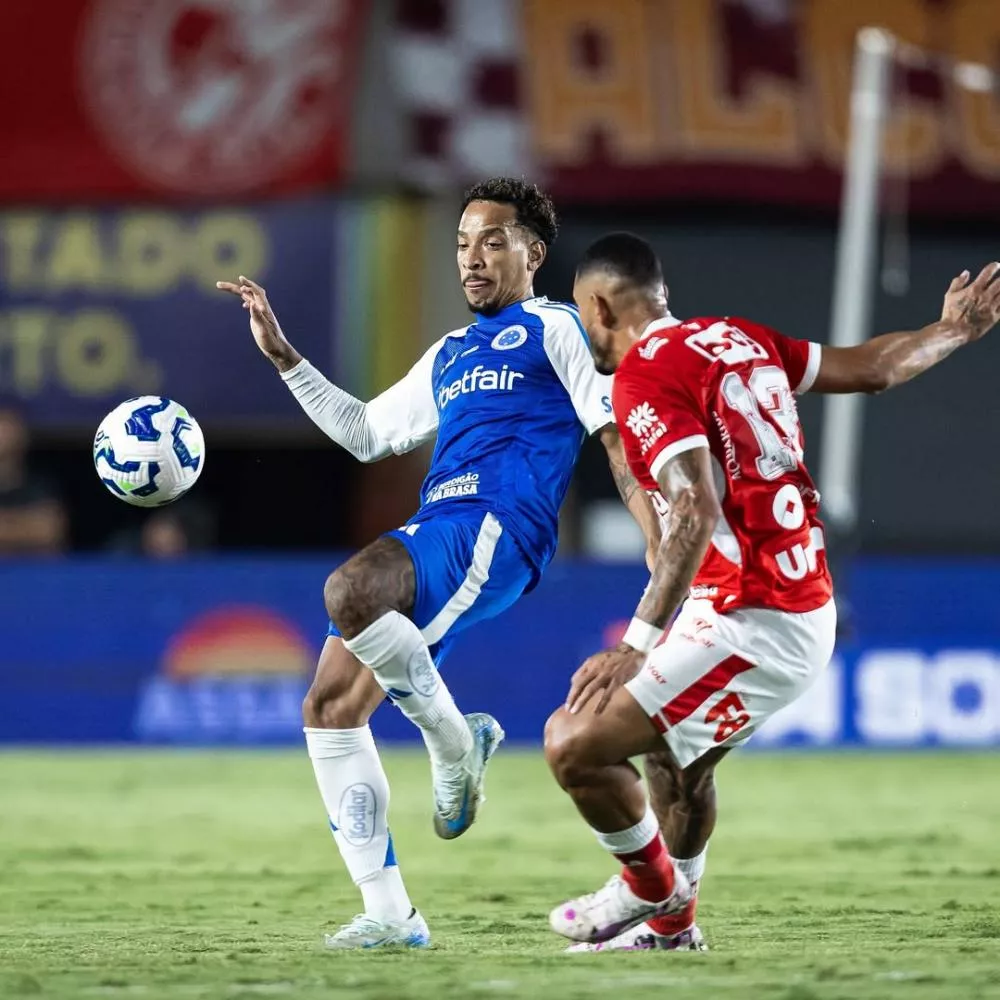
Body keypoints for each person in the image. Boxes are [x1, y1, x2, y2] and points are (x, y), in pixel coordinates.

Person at [217, 179, 660, 950]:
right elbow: (362, 431)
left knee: (349, 587)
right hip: (436, 527)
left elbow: (613, 430)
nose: (473, 259)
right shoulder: (449, 354)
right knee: (328, 708)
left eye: (493, 240)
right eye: (461, 244)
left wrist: (659, 530)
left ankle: (455, 744)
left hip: (499, 527)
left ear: (534, 252)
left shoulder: (556, 328)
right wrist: (286, 358)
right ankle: (392, 916)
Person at [544, 232, 1000, 952]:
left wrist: (635, 645)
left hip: (755, 615)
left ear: (600, 304)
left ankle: (652, 889)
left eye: (580, 309)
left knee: (573, 744)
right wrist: (950, 330)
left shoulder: (644, 375)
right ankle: (672, 933)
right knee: (676, 764)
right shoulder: (736, 339)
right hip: (770, 596)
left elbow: (695, 506)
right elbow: (871, 370)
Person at [0, 406, 67, 556]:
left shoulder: (39, 487)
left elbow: (49, 531)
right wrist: (22, 522)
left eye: (8, 429)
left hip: (33, 573)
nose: (3, 436)